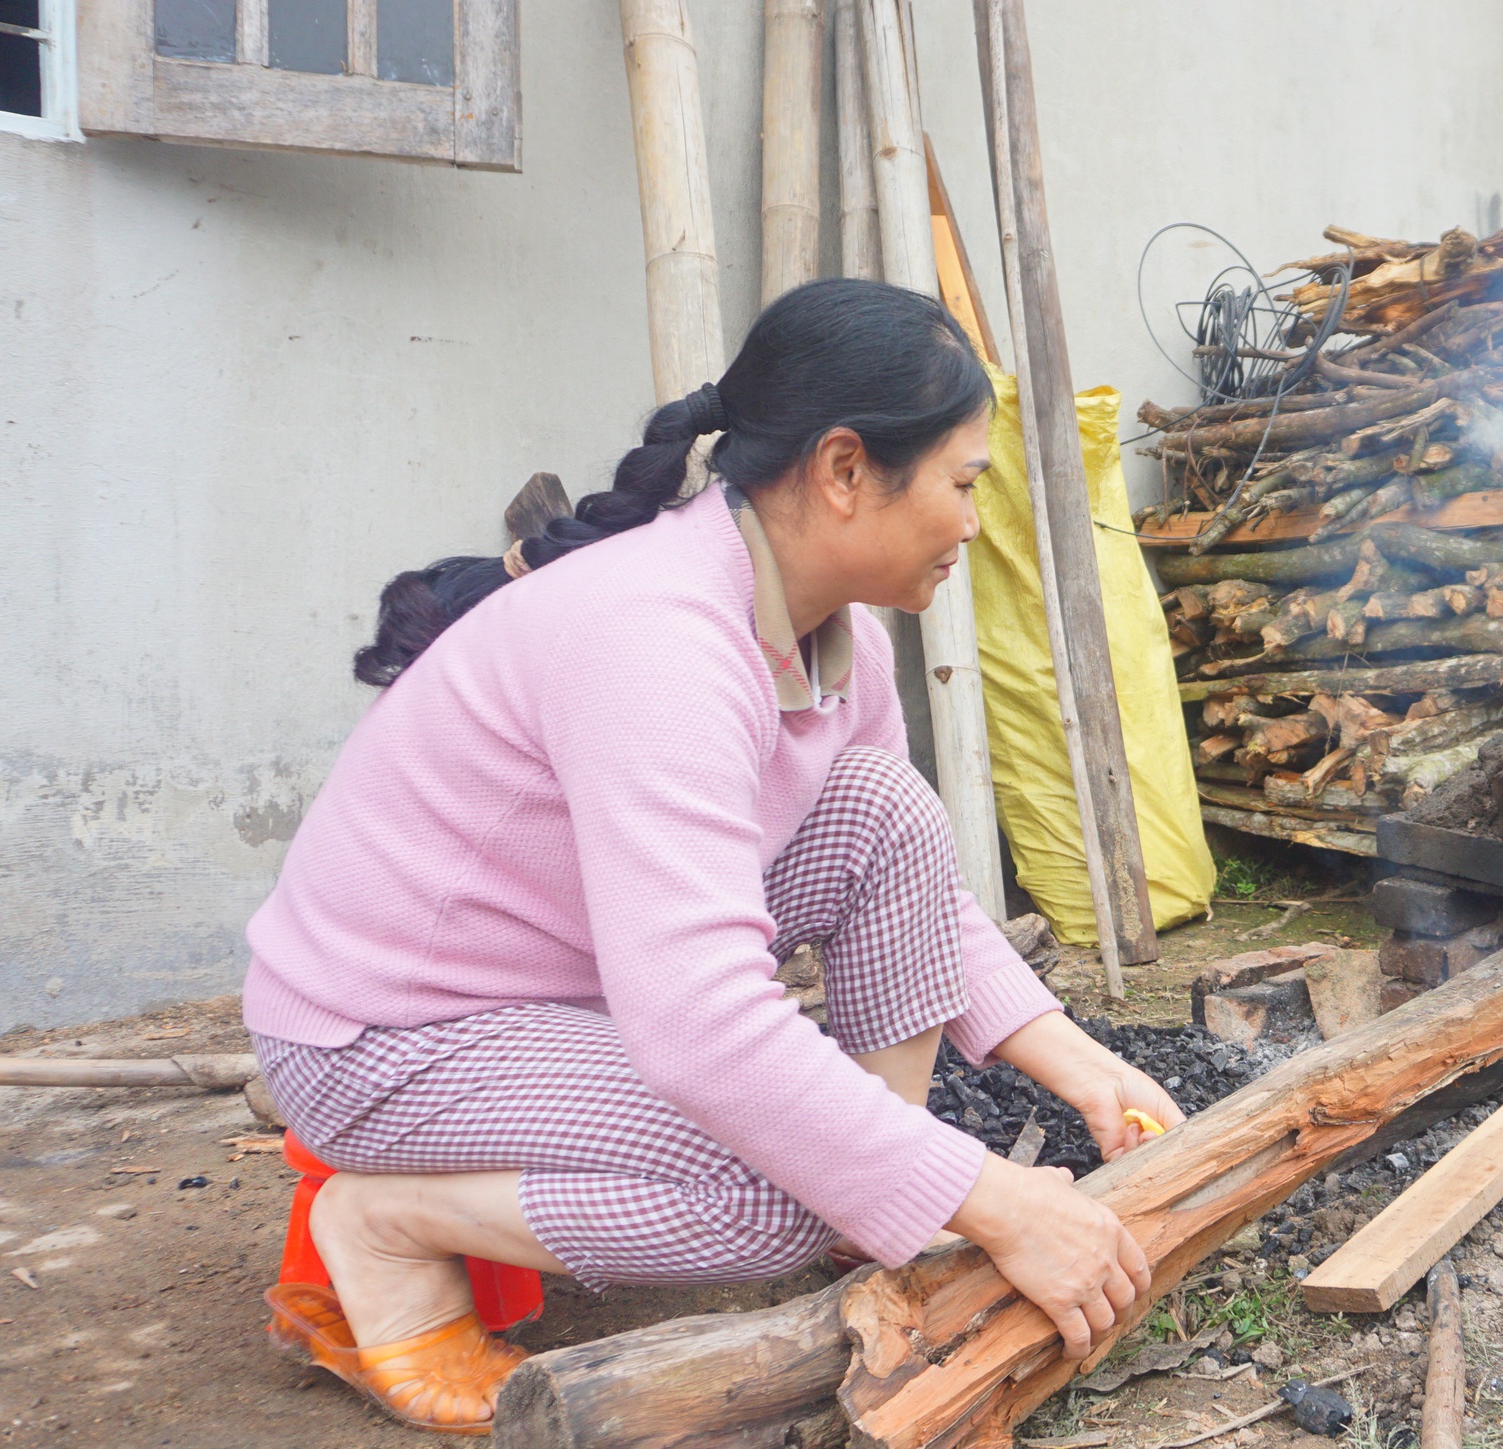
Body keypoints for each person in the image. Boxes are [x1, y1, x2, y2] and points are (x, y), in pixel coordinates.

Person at [244, 279, 1183, 1436]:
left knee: (882, 809)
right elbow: (699, 1024)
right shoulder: (658, 645)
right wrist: (991, 1199)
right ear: (845, 471)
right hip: (389, 1040)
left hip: (556, 988)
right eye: (962, 483)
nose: (972, 523)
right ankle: (383, 1227)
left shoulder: (835, 637)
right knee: (770, 1191)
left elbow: (918, 895)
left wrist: (1081, 1066)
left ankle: (871, 1185)